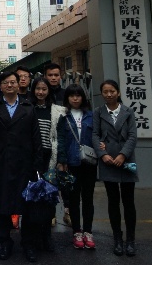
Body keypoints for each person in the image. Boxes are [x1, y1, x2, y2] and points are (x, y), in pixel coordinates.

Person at [0, 71, 43, 262]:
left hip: (25, 163)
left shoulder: (28, 107)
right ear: (0, 86)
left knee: (28, 205)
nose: (9, 85)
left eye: (13, 82)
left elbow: (36, 138)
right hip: (2, 162)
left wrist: (37, 163)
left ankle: (28, 243)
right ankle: (5, 242)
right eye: (6, 83)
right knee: (3, 204)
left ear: (19, 84)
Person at [92, 79, 139, 257]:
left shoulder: (128, 111)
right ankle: (117, 239)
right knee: (113, 201)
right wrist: (102, 154)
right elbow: (95, 135)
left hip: (126, 160)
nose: (109, 94)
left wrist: (123, 155)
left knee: (129, 201)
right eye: (105, 92)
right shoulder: (98, 112)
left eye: (112, 91)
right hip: (108, 161)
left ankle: (130, 240)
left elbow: (133, 136)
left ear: (118, 92)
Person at [56, 85, 97, 250]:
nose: (75, 98)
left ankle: (88, 231)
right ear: (67, 98)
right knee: (73, 199)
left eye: (78, 95)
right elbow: (60, 139)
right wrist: (62, 160)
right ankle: (77, 232)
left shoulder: (91, 116)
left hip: (89, 163)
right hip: (71, 163)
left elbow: (97, 136)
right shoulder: (63, 117)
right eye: (72, 96)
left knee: (88, 198)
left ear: (83, 98)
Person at [31, 76, 66, 243]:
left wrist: (61, 160)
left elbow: (61, 137)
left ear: (48, 91)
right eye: (38, 89)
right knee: (33, 198)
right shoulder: (28, 108)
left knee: (49, 197)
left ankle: (46, 236)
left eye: (44, 89)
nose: (40, 92)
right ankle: (34, 235)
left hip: (50, 158)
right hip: (32, 159)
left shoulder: (57, 111)